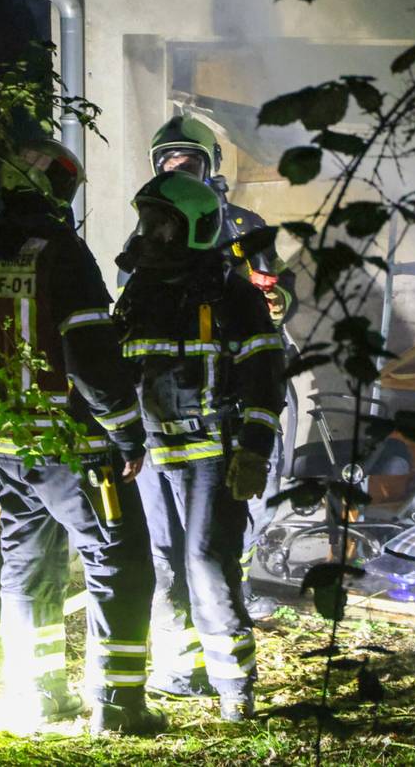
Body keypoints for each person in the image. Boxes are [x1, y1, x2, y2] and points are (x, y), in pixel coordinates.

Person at [0, 139, 165, 735]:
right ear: (57, 189)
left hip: (9, 446)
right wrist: (126, 434)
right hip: (75, 450)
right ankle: (119, 708)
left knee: (27, 569)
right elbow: (90, 356)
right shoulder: (63, 254)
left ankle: (36, 696)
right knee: (121, 563)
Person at [113, 170, 286, 721]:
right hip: (151, 454)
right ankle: (180, 673)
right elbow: (120, 369)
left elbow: (265, 377)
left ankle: (235, 691)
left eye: (162, 224)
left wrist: (255, 447)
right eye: (148, 222)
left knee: (208, 564)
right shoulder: (139, 290)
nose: (151, 234)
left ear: (193, 228)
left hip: (215, 454)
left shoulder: (232, 293)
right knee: (165, 563)